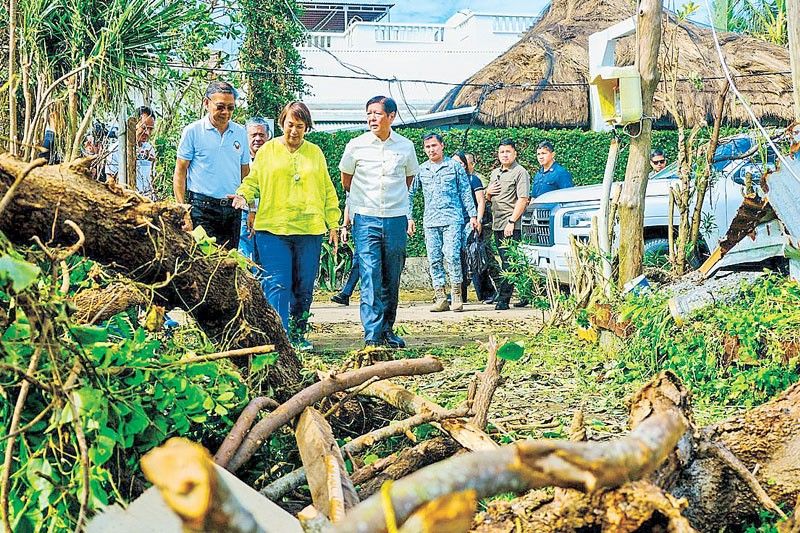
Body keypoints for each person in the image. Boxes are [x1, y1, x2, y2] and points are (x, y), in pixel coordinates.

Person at [232, 101, 340, 352]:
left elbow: (327, 190)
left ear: (306, 128)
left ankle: (299, 334)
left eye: (300, 126)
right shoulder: (267, 151)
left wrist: (333, 223)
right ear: (281, 124)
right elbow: (253, 182)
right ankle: (280, 337)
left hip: (309, 230)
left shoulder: (315, 153)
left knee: (303, 286)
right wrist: (242, 195)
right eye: (290, 124)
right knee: (277, 283)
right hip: (273, 230)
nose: (294, 131)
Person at [339, 96, 419, 348]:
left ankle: (388, 330)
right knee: (370, 272)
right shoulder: (356, 145)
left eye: (377, 113)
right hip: (366, 217)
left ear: (391, 116)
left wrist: (398, 208)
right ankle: (372, 334)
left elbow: (408, 181)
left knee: (391, 274)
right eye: (369, 113)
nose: (372, 118)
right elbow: (346, 181)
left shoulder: (405, 147)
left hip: (395, 218)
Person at [174, 81, 250, 249]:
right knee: (205, 262)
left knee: (229, 265)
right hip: (202, 209)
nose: (226, 113)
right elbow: (180, 172)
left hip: (232, 211)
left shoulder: (240, 133)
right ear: (206, 103)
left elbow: (246, 173)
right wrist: (183, 211)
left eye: (231, 108)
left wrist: (250, 208)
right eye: (220, 107)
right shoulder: (193, 131)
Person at [410, 135, 477, 313]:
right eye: (427, 147)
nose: (431, 149)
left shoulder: (454, 166)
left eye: (434, 145)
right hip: (430, 221)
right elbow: (409, 193)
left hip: (452, 219)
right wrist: (409, 217)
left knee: (452, 255)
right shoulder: (421, 169)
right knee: (434, 259)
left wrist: (472, 215)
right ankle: (440, 297)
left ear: (442, 146)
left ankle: (456, 295)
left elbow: (465, 191)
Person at [485, 139, 531, 311]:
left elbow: (523, 199)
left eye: (508, 151)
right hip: (497, 224)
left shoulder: (520, 172)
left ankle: (503, 299)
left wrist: (512, 221)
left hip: (511, 224)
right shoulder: (495, 173)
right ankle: (526, 294)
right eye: (501, 152)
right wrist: (488, 193)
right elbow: (489, 198)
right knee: (510, 262)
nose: (504, 155)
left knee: (508, 263)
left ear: (515, 153)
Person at [451, 151, 489, 303]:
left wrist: (478, 220)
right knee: (457, 259)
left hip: (470, 223)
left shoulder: (473, 180)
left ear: (465, 165)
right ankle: (461, 295)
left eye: (460, 163)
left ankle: (485, 294)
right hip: (455, 224)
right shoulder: (450, 181)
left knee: (475, 258)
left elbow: (481, 202)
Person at [239, 117, 273, 261]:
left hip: (270, 217)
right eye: (253, 135)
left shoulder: (275, 160)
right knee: (246, 258)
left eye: (261, 135)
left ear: (268, 136)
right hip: (245, 214)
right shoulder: (240, 159)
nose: (258, 139)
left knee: (266, 260)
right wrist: (252, 210)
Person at [106, 106, 157, 198]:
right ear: (134, 124)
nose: (147, 133)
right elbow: (110, 182)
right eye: (144, 128)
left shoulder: (149, 148)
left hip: (148, 200)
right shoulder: (116, 150)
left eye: (150, 129)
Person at [331, 197, 360, 306]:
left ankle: (346, 293)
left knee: (359, 259)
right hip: (357, 225)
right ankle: (346, 293)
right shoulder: (350, 182)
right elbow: (349, 202)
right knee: (359, 259)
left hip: (367, 222)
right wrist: (344, 226)